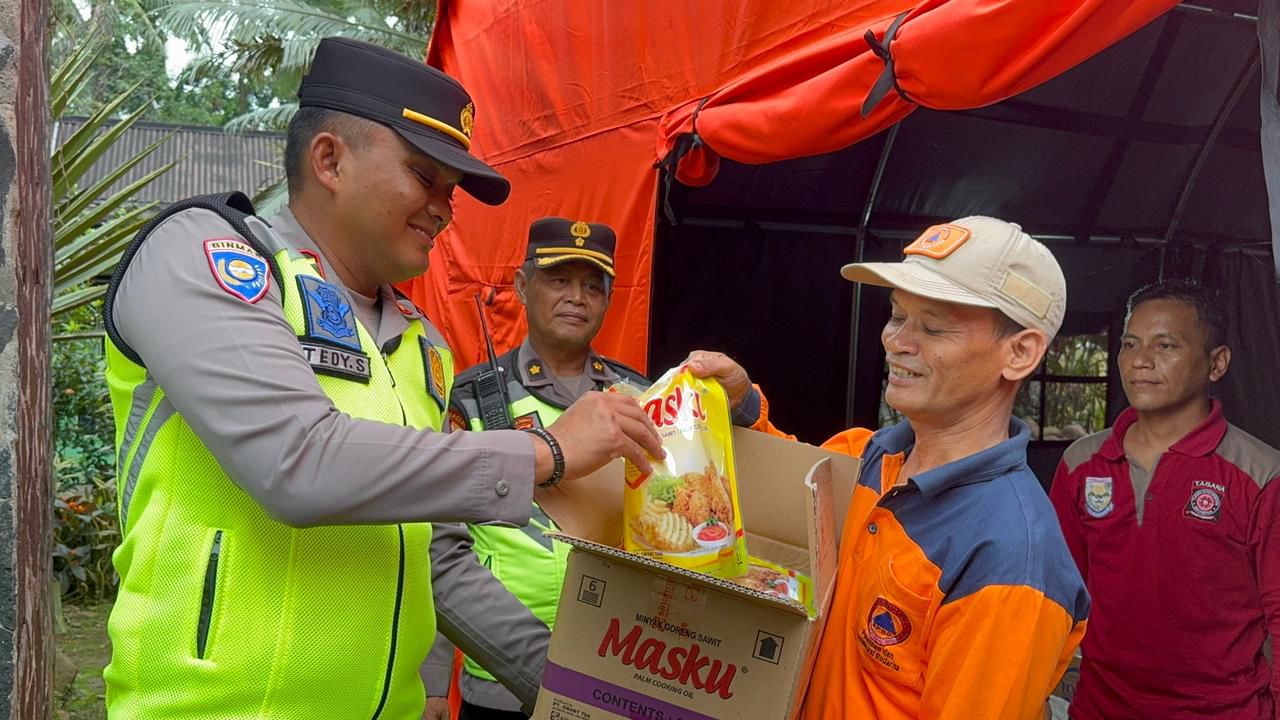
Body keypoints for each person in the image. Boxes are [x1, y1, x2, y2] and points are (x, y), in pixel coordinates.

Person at [100, 37, 662, 719]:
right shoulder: (208, 256)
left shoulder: (421, 347)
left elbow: (435, 560)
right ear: (329, 159)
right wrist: (547, 452)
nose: (444, 210)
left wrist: (576, 691)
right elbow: (295, 459)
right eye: (425, 177)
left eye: (452, 193)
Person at [689, 216, 1090, 720]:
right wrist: (742, 406)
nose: (897, 340)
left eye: (934, 325)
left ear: (1020, 352)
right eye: (897, 315)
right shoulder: (872, 454)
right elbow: (791, 496)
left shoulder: (1011, 563)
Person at [422, 217, 648, 719]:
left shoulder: (636, 398)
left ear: (609, 300)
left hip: (613, 668)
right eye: (559, 280)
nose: (577, 297)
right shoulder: (471, 398)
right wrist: (434, 680)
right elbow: (436, 538)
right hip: (497, 674)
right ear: (523, 287)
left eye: (593, 286)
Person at [1050, 280, 1279, 719]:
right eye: (1130, 344)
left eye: (1166, 345)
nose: (1141, 361)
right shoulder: (1082, 464)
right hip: (1101, 709)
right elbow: (1057, 595)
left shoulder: (1260, 474)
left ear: (1217, 363)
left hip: (1225, 712)